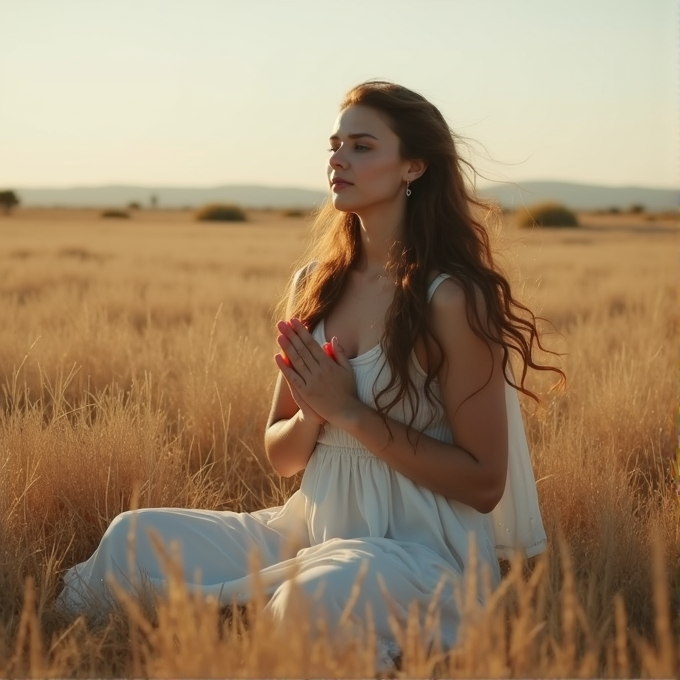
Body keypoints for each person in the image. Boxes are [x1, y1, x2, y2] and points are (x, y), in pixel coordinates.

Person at [56, 81, 565, 670]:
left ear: (414, 166)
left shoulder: (449, 298)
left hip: (418, 553)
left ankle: (253, 616)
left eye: (362, 145)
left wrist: (352, 412)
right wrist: (312, 414)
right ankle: (232, 612)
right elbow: (282, 455)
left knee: (309, 598)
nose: (338, 158)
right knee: (132, 536)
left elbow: (483, 483)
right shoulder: (313, 284)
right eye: (335, 144)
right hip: (310, 531)